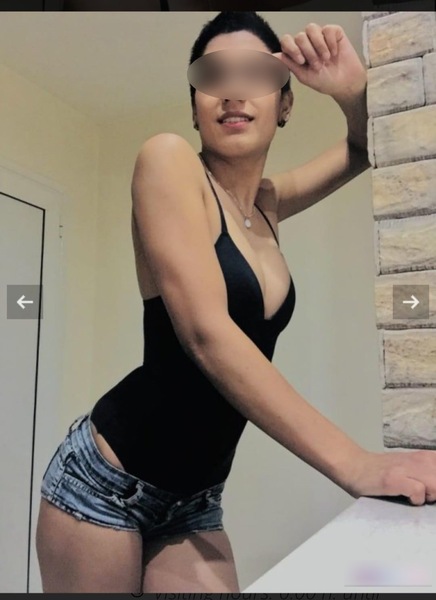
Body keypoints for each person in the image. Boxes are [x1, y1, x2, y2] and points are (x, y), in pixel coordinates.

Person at [36, 11, 436, 594]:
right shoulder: (168, 160)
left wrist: (350, 90)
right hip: (105, 482)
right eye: (212, 74)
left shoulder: (266, 206)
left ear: (285, 102)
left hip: (194, 499)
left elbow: (363, 146)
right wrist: (355, 463)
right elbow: (207, 335)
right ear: (195, 104)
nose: (232, 89)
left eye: (255, 73)